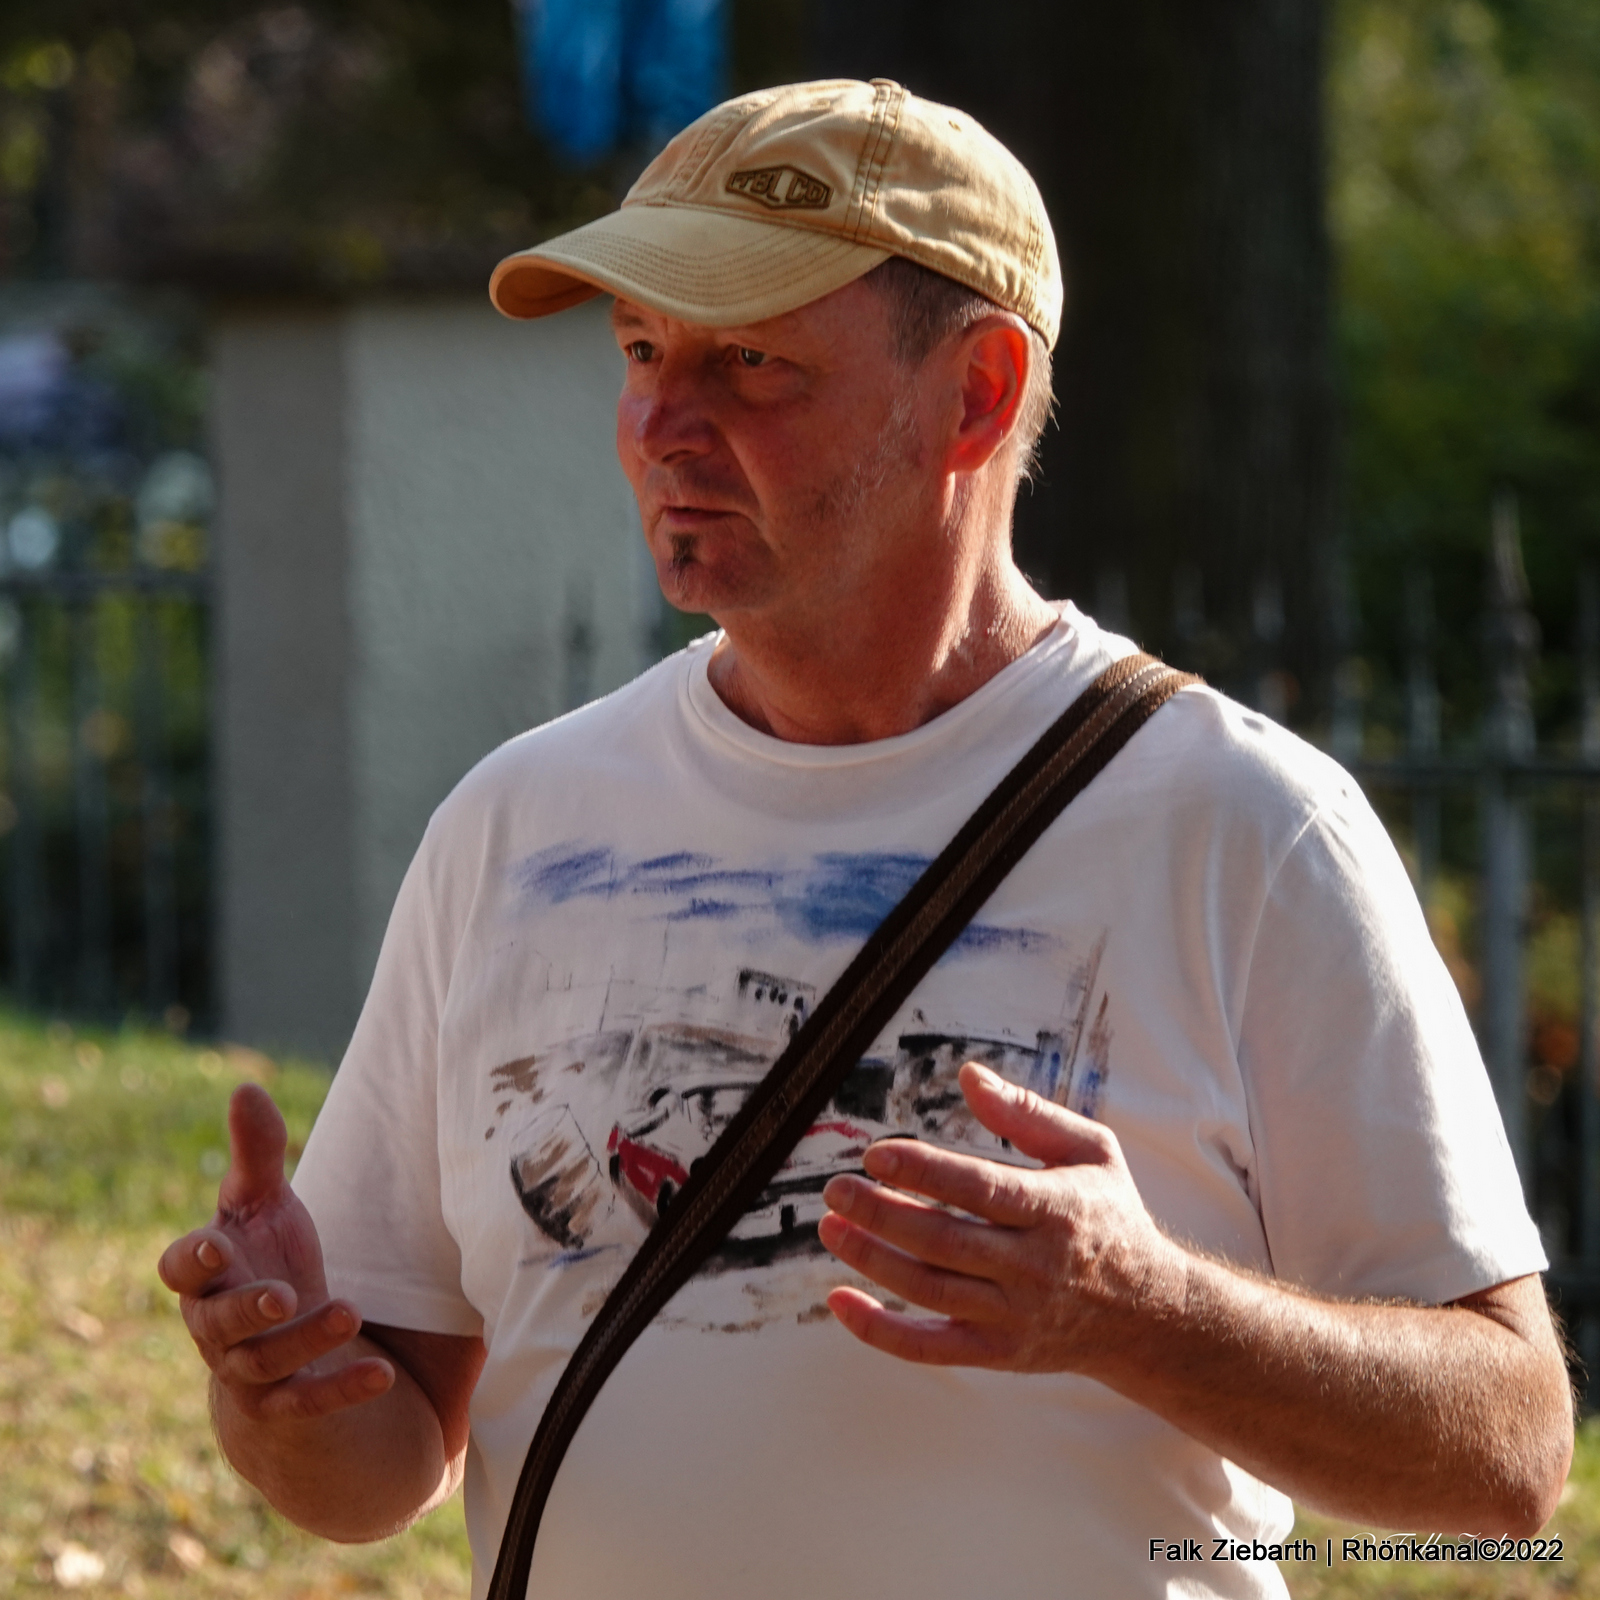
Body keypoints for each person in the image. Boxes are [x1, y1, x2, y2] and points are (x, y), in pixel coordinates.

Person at [159, 78, 1573, 1599]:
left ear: (973, 393)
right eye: (641, 352)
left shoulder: (1247, 828)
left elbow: (1503, 1458)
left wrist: (1141, 1308)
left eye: (751, 362)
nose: (661, 425)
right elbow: (381, 1472)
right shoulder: (513, 822)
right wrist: (284, 1396)